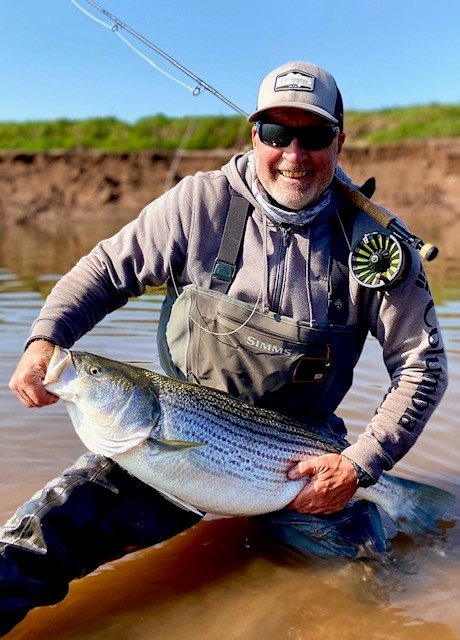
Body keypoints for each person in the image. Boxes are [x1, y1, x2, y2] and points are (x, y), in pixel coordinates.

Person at [2, 61, 447, 634]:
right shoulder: (200, 204)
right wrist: (46, 340)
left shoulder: (378, 249)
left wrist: (359, 466)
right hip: (171, 428)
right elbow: (107, 271)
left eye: (312, 136)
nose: (294, 154)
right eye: (276, 134)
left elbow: (421, 367)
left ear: (339, 139)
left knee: (359, 590)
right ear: (253, 135)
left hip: (300, 465)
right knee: (36, 542)